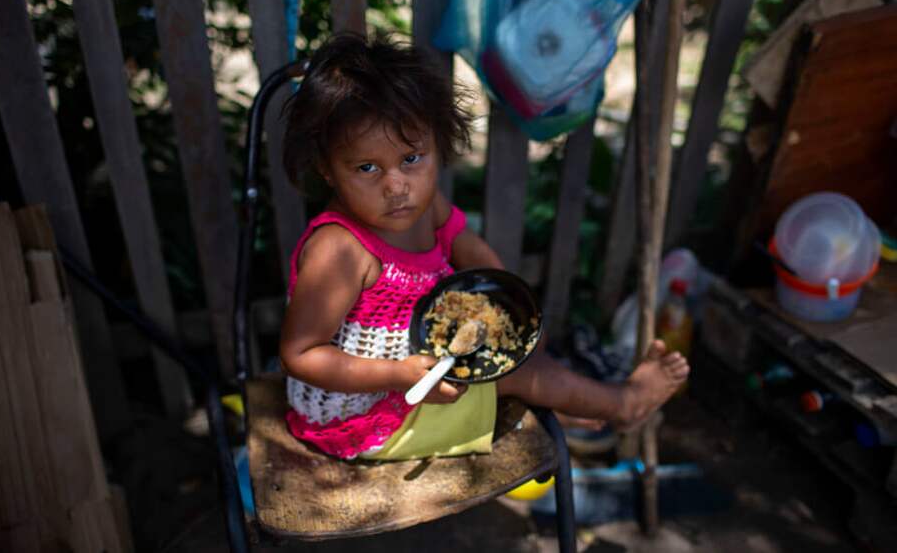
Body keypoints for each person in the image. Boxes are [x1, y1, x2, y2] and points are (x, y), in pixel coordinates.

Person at [278, 33, 688, 461]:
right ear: (327, 169)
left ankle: (562, 400)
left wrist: (516, 311)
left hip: (418, 376)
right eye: (367, 168)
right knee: (527, 374)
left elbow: (469, 248)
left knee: (517, 353)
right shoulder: (340, 250)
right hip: (363, 418)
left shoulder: (424, 206)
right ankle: (623, 404)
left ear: (437, 144)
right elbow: (300, 354)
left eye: (411, 159)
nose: (396, 186)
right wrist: (397, 374)